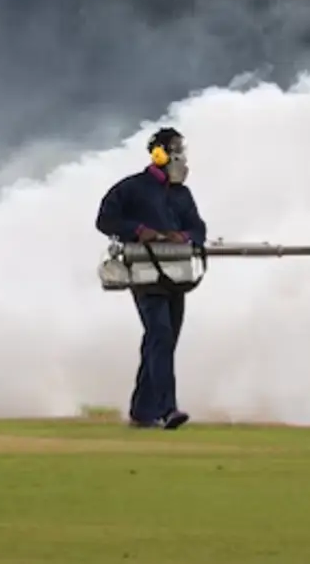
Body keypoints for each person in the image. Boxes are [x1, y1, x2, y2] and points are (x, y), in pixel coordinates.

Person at [95, 127, 207, 430]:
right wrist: (138, 231)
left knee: (161, 342)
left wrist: (180, 236)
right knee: (160, 336)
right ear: (158, 153)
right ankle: (167, 409)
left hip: (176, 276)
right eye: (175, 150)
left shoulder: (182, 195)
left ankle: (142, 412)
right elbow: (105, 219)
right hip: (145, 276)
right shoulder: (131, 189)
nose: (181, 157)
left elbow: (198, 230)